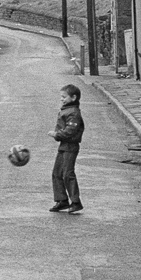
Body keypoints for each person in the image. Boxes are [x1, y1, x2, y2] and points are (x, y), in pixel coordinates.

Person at [47, 83, 85, 213]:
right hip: (64, 146)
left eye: (64, 97)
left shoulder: (74, 113)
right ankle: (62, 200)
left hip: (70, 146)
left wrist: (56, 134)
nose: (61, 99)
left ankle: (76, 202)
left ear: (73, 98)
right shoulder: (67, 110)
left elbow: (70, 131)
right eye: (61, 97)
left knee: (68, 174)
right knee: (57, 173)